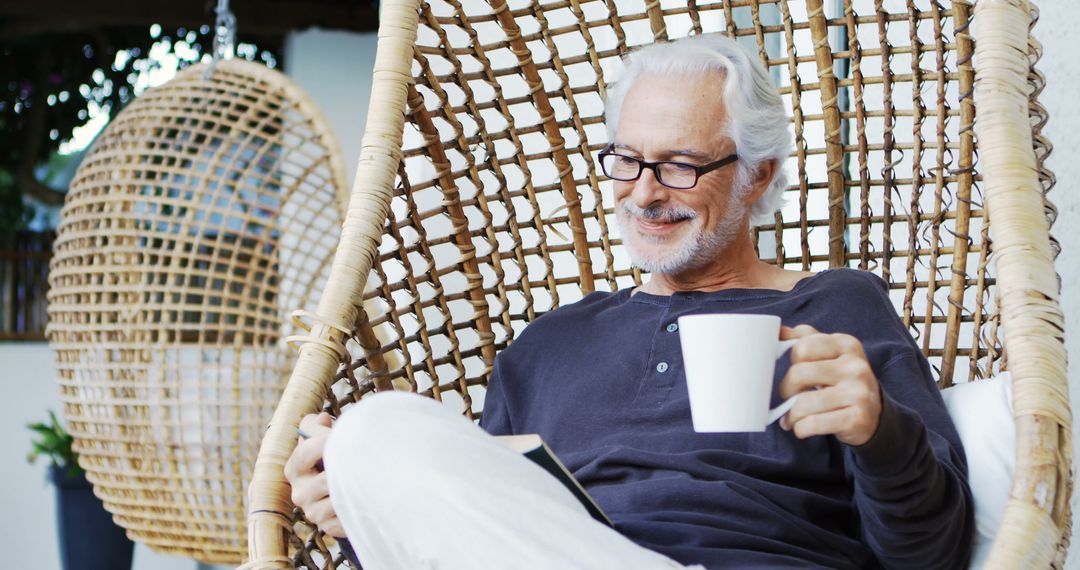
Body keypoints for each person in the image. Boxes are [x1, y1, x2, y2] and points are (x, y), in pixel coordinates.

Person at [285, 34, 973, 569]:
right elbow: (475, 538)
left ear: (757, 175)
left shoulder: (837, 310)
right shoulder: (547, 347)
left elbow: (933, 557)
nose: (643, 194)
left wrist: (882, 433)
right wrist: (359, 513)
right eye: (625, 159)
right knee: (375, 434)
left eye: (679, 164)